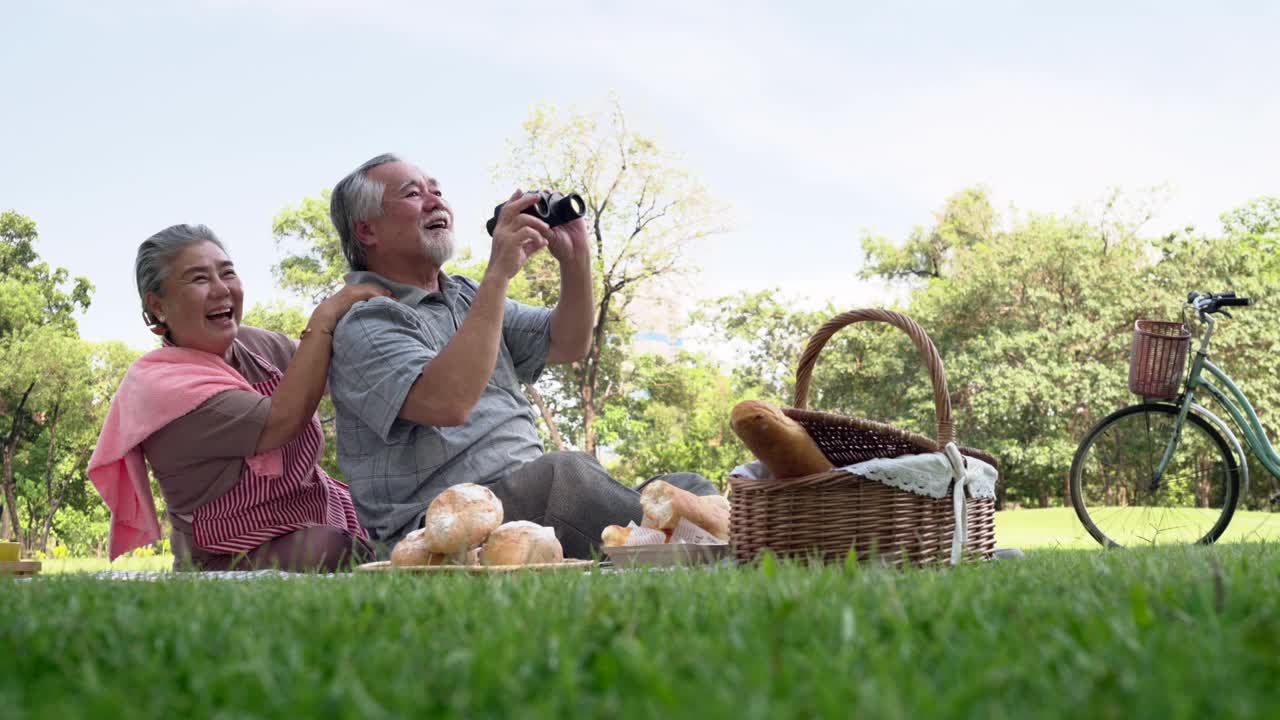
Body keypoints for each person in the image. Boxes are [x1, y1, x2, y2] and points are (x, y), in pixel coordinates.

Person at [325, 153, 717, 557]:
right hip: (441, 527)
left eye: (437, 190)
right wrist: (499, 273)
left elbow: (568, 342)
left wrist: (576, 256)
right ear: (367, 231)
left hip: (525, 503)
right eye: (413, 193)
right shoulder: (366, 323)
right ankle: (707, 549)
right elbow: (448, 401)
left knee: (685, 488)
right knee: (565, 475)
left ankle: (699, 543)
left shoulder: (466, 296)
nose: (435, 200)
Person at [88, 224, 389, 571]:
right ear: (158, 306)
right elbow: (282, 421)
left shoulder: (254, 346)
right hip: (229, 553)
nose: (221, 289)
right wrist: (326, 315)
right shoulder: (161, 387)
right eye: (199, 279)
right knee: (334, 550)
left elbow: (337, 368)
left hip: (321, 512)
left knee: (403, 530)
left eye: (227, 273)